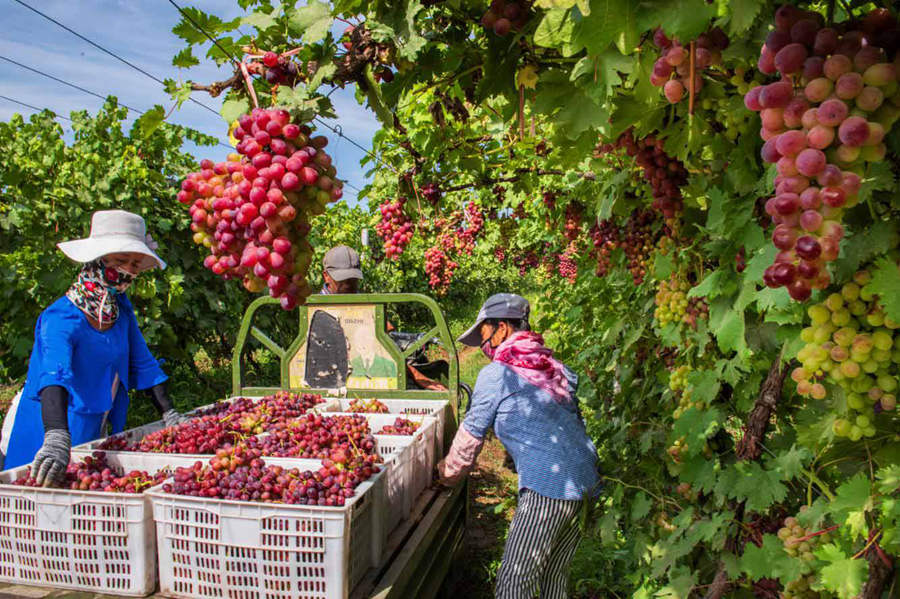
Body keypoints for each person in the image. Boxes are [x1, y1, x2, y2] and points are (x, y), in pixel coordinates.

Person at [0, 210, 187, 484]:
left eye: (135, 263)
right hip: (46, 421)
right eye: (122, 260)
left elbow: (143, 362)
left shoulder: (119, 309)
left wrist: (170, 413)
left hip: (92, 418)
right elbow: (54, 376)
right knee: (33, 491)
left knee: (78, 490)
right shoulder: (61, 318)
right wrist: (55, 436)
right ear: (97, 260)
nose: (129, 270)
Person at [437, 293, 600, 599]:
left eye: (484, 334)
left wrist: (445, 474)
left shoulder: (498, 374)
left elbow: (471, 435)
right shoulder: (549, 365)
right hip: (585, 483)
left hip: (549, 489)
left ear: (502, 329)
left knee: (514, 582)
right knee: (554, 577)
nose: (483, 345)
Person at [318, 245, 446, 391]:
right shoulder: (316, 312)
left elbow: (386, 337)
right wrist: (417, 377)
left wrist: (419, 377)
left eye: (353, 278)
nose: (350, 284)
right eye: (343, 279)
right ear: (326, 276)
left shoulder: (358, 300)